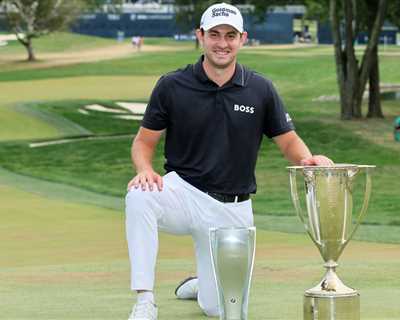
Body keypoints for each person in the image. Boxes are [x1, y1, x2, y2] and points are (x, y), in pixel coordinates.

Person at [124, 3, 333, 320]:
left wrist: (307, 159)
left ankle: (202, 285)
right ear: (201, 36)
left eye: (230, 35)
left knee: (219, 308)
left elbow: (287, 139)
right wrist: (145, 169)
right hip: (183, 193)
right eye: (215, 35)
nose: (222, 43)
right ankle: (145, 300)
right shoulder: (172, 85)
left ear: (243, 39)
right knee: (139, 197)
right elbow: (144, 141)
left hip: (232, 208)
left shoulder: (260, 88)